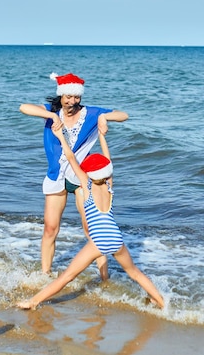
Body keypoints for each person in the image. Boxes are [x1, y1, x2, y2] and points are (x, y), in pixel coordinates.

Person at [16, 127, 164, 310]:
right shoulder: (109, 186)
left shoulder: (86, 186)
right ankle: (162, 303)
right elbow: (108, 161)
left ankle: (33, 302)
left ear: (90, 173)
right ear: (106, 171)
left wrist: (61, 136)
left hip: (99, 241)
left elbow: (70, 158)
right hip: (117, 239)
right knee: (135, 273)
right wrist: (102, 136)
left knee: (67, 276)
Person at [19, 72, 129, 279]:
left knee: (92, 230)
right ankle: (45, 275)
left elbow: (123, 115)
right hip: (56, 177)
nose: (72, 101)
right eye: (68, 96)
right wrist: (51, 116)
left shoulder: (91, 113)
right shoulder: (51, 110)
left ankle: (104, 278)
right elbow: (23, 107)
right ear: (61, 95)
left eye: (76, 97)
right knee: (50, 228)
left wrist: (105, 117)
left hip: (80, 177)